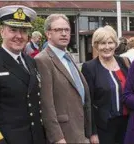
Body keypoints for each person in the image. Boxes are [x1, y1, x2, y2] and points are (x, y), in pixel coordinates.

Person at [0, 5, 46, 144]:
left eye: (23, 31)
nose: (19, 36)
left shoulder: (31, 62)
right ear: (2, 32)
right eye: (13, 30)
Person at [34, 14, 91, 143]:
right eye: (58, 30)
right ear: (48, 34)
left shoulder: (68, 56)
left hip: (80, 131)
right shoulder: (43, 60)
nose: (64, 33)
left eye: (67, 30)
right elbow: (46, 104)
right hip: (64, 134)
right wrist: (57, 138)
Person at [81, 26, 130, 144]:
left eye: (110, 42)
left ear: (115, 44)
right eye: (103, 43)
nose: (107, 47)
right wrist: (92, 133)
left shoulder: (125, 62)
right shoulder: (89, 68)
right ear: (96, 45)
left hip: (128, 124)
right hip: (104, 127)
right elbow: (88, 103)